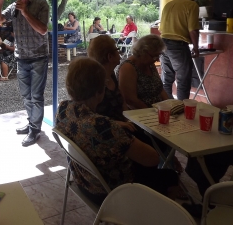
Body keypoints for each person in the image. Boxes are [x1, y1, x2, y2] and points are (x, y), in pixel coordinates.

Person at [55, 57, 180, 205]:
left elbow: (90, 126)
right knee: (170, 176)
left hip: (83, 181)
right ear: (99, 92)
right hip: (111, 193)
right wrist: (117, 129)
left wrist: (116, 126)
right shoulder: (104, 127)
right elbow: (152, 159)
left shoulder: (64, 109)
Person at [0, 0, 49, 147]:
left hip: (38, 57)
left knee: (36, 96)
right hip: (22, 57)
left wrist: (24, 11)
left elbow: (43, 30)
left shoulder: (41, 4)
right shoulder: (12, 7)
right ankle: (32, 123)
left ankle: (35, 130)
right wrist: (0, 2)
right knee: (26, 96)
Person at [159, 0, 200, 101]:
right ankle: (182, 108)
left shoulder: (168, 5)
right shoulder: (192, 5)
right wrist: (196, 48)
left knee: (167, 79)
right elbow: (192, 29)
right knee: (183, 80)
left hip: (163, 44)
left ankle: (168, 106)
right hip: (178, 46)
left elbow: (161, 28)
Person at [117, 35, 169, 109]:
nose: (157, 59)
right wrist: (153, 112)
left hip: (157, 110)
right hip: (140, 113)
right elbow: (130, 100)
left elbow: (160, 89)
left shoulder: (149, 64)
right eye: (154, 56)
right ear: (143, 52)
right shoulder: (128, 67)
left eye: (158, 56)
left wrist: (170, 105)